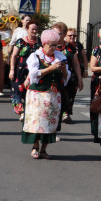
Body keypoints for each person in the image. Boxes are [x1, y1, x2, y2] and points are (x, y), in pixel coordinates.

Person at [21, 29, 68, 159]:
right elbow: (34, 74)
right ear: (44, 44)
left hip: (53, 95)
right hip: (37, 95)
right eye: (52, 45)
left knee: (50, 122)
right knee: (37, 122)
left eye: (56, 45)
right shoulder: (35, 56)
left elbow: (66, 78)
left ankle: (44, 149)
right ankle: (35, 146)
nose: (54, 48)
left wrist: (64, 70)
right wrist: (50, 68)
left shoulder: (60, 57)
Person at [8, 20, 41, 119]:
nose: (34, 31)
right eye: (32, 29)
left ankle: (29, 112)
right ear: (27, 29)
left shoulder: (39, 42)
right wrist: (12, 70)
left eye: (36, 29)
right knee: (18, 90)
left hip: (33, 70)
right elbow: (13, 56)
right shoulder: (21, 41)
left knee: (31, 91)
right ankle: (21, 112)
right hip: (20, 69)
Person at [53, 23, 84, 125]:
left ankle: (66, 113)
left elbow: (76, 63)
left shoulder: (70, 47)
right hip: (55, 76)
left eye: (59, 33)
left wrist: (80, 78)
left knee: (69, 95)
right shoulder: (51, 45)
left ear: (64, 34)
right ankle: (56, 115)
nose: (56, 35)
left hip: (70, 76)